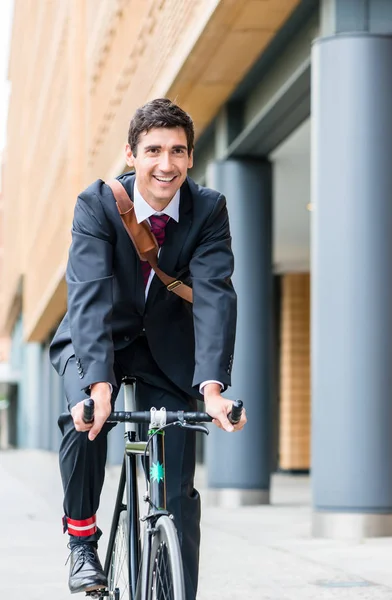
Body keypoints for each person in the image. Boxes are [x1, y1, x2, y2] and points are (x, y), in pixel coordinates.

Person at [49, 97, 246, 598]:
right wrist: (98, 382)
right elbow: (89, 295)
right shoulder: (96, 204)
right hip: (99, 338)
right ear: (131, 155)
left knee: (177, 492)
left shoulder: (208, 209)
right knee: (86, 417)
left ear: (191, 157)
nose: (166, 164)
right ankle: (81, 540)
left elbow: (216, 296)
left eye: (177, 151)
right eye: (154, 150)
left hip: (169, 350)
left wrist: (213, 387)